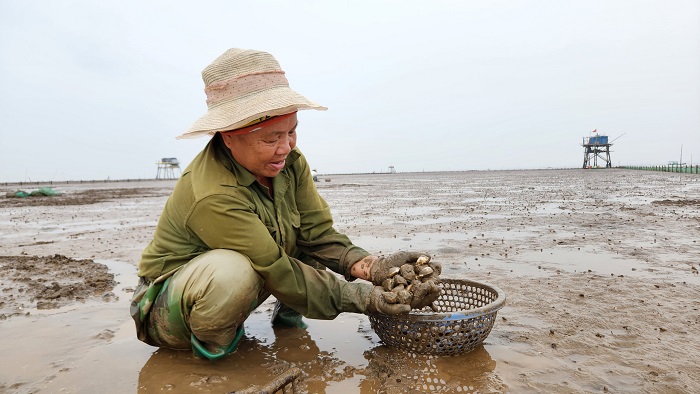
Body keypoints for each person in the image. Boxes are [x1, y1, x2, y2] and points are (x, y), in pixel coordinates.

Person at [130, 48, 440, 360]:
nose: (285, 148)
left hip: (258, 273)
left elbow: (317, 233)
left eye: (292, 132)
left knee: (302, 237)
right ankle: (214, 350)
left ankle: (289, 319)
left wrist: (372, 267)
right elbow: (275, 268)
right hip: (168, 306)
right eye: (270, 139)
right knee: (232, 273)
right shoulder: (213, 194)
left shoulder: (290, 162)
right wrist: (368, 298)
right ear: (227, 136)